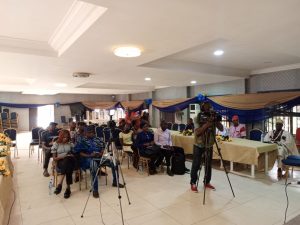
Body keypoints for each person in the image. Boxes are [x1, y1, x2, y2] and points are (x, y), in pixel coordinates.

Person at [74, 125, 124, 198]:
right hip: (87, 158)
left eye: (93, 132)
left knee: (114, 162)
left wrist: (101, 153)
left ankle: (115, 182)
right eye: (89, 132)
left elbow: (103, 148)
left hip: (99, 157)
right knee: (94, 165)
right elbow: (80, 152)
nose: (92, 134)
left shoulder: (98, 139)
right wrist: (90, 155)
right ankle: (95, 189)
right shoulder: (81, 140)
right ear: (85, 133)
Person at [190, 101, 223, 192]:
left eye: (209, 107)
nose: (208, 108)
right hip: (198, 144)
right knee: (196, 164)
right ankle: (193, 183)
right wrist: (207, 124)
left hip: (209, 144)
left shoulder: (213, 117)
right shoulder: (197, 117)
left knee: (208, 165)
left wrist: (215, 121)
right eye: (206, 107)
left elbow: (222, 128)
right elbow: (197, 132)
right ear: (202, 108)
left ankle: (207, 182)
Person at [51, 130, 76, 198]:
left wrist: (72, 154)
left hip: (71, 159)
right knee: (68, 166)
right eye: (64, 137)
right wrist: (63, 156)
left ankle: (60, 184)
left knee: (68, 159)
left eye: (67, 137)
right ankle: (68, 188)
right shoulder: (56, 144)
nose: (66, 139)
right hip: (60, 162)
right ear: (61, 136)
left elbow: (74, 153)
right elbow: (54, 158)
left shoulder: (70, 143)